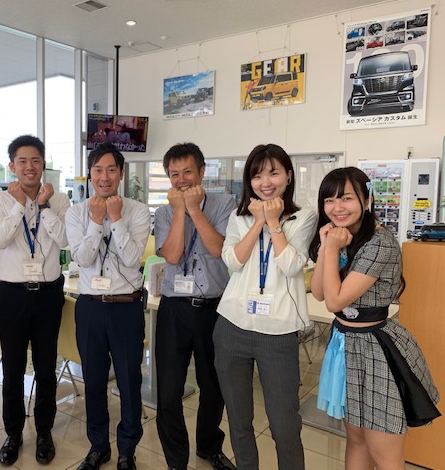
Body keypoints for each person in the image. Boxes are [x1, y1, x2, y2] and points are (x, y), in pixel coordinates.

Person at [309, 167, 440, 469]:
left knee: (384, 452)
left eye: (346, 198)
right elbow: (318, 292)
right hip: (344, 343)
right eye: (329, 200)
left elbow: (335, 301)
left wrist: (331, 248)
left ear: (366, 200)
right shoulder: (344, 237)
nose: (337, 207)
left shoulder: (380, 242)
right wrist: (327, 247)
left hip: (376, 351)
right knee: (355, 438)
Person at [213, 144, 316, 470]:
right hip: (232, 325)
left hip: (278, 331)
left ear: (288, 176)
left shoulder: (304, 216)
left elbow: (291, 265)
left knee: (285, 424)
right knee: (239, 419)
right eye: (257, 175)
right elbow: (233, 260)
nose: (265, 182)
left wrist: (273, 222)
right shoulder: (238, 217)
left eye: (273, 173)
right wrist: (257, 222)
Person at [66, 143, 150, 470]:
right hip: (89, 306)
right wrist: (95, 221)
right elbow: (82, 258)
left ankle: (127, 449)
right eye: (98, 170)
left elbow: (132, 259)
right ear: (90, 174)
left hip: (126, 307)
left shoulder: (138, 210)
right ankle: (98, 446)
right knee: (94, 380)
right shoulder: (76, 212)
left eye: (111, 169)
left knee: (129, 381)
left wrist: (115, 219)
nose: (105, 176)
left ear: (121, 174)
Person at [0, 135, 70, 466]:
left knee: (47, 367)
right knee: (13, 367)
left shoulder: (59, 199)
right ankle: (13, 433)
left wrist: (45, 207)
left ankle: (45, 432)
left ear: (43, 164)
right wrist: (20, 203)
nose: (29, 166)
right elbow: (0, 239)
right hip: (12, 294)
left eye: (35, 160)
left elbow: (65, 240)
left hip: (48, 292)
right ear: (12, 166)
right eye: (22, 161)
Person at [154, 143, 236, 470]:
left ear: (202, 171)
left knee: (213, 385)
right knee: (169, 389)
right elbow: (173, 256)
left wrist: (195, 211)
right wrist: (179, 212)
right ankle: (176, 460)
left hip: (213, 309)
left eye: (187, 172)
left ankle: (209, 447)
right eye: (174, 174)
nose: (181, 180)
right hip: (174, 309)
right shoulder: (163, 213)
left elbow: (218, 250)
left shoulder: (225, 204)